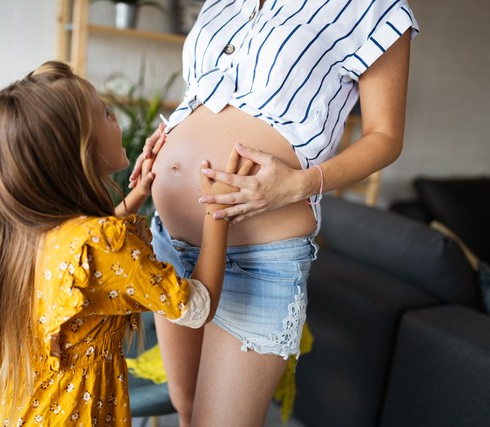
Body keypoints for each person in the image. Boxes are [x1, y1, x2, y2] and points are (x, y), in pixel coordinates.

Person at [128, 1, 420, 425]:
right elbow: (204, 96)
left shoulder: (373, 7)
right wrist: (165, 142)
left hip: (258, 258)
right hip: (171, 243)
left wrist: (300, 184)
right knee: (186, 405)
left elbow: (386, 136)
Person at [0, 60, 253, 426]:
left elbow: (87, 255)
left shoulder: (26, 233)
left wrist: (138, 193)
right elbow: (199, 306)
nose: (116, 119)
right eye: (106, 113)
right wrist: (218, 212)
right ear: (79, 150)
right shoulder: (104, 242)